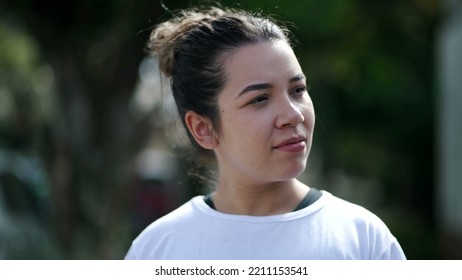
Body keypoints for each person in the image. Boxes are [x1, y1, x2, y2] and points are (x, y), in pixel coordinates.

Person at [125, 5, 406, 260]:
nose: (293, 115)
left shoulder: (363, 241)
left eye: (297, 90)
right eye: (259, 99)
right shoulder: (158, 249)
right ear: (203, 128)